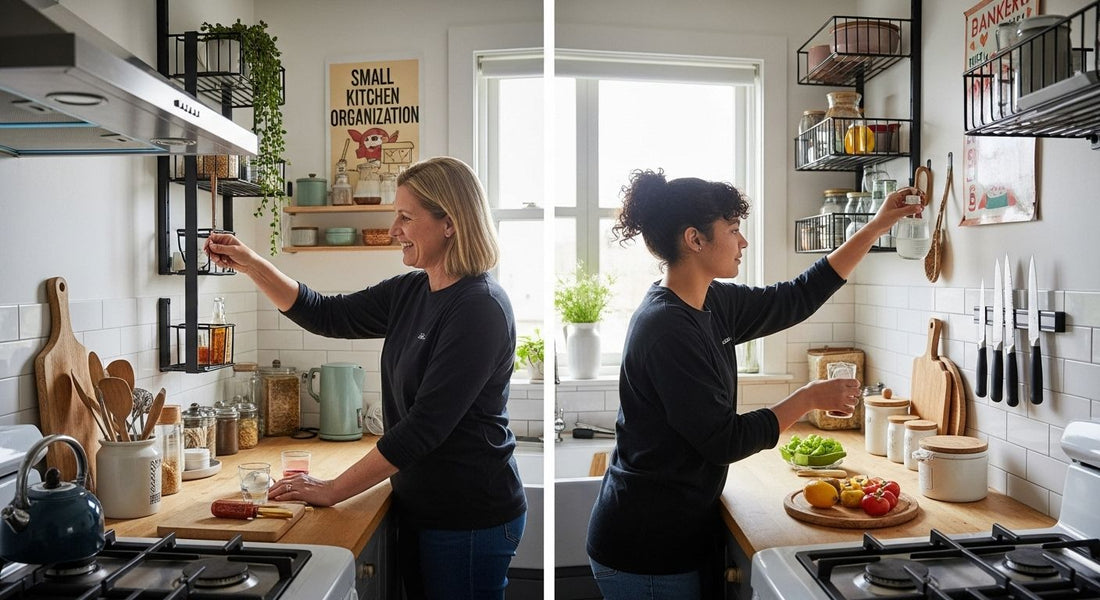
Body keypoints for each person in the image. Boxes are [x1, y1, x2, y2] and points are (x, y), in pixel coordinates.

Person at [585, 169, 923, 599]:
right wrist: (807, 397)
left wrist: (877, 225)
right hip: (647, 546)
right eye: (733, 230)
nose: (743, 242)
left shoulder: (710, 301)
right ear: (695, 239)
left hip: (676, 533)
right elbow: (723, 440)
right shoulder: (667, 328)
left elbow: (796, 296)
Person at [204, 156, 526, 600]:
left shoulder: (479, 308)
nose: (394, 229)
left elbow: (423, 429)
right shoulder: (413, 291)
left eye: (405, 217)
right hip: (422, 504)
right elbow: (327, 313)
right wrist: (252, 263)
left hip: (468, 515)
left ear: (449, 223)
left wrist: (333, 489)